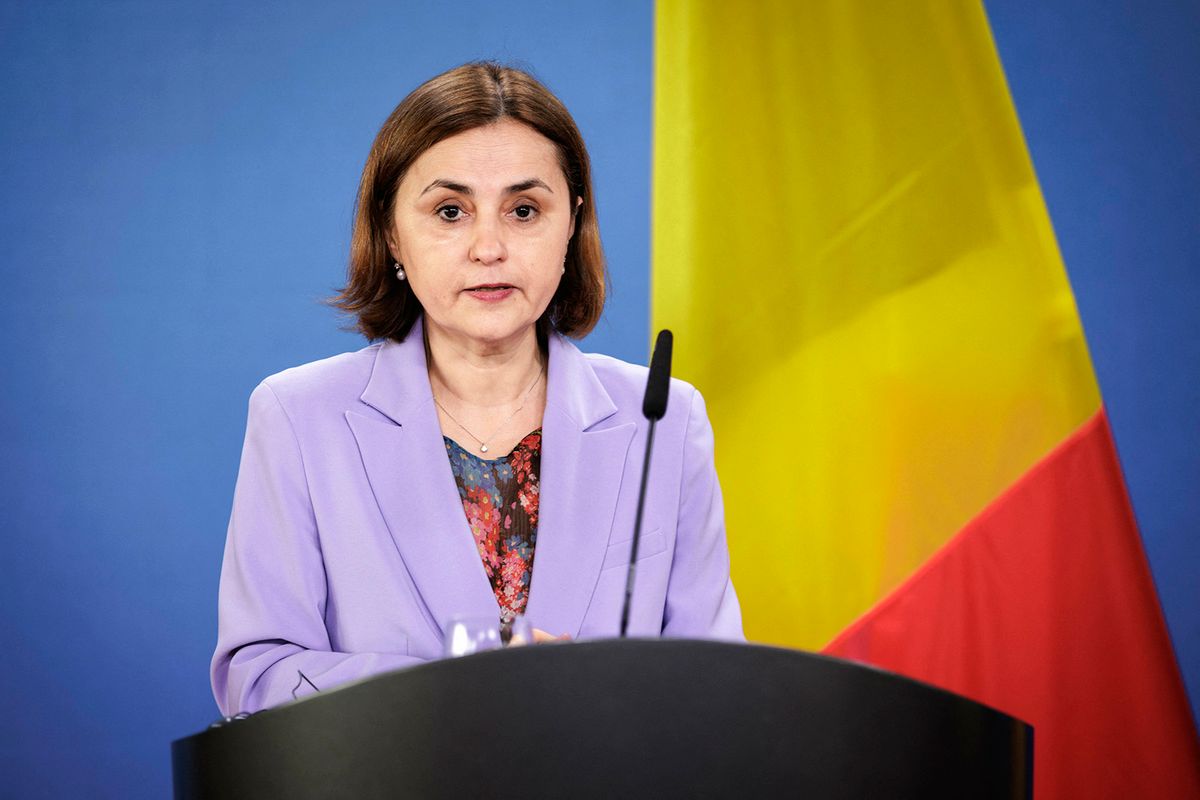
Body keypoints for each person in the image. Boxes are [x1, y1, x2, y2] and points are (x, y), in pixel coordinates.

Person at [211, 62, 742, 715]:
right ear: (391, 233)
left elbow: (718, 691)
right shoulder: (298, 416)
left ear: (571, 225)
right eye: (450, 211)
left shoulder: (665, 418)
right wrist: (463, 684)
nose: (489, 247)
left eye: (524, 210)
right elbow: (258, 677)